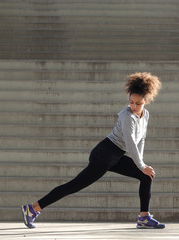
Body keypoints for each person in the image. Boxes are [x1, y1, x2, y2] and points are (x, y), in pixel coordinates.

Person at [21, 72, 165, 229]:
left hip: (116, 156)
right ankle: (32, 209)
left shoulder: (146, 115)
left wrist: (142, 164)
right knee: (74, 185)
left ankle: (144, 218)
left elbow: (141, 139)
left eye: (138, 103)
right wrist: (141, 166)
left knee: (147, 176)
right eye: (131, 102)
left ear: (146, 101)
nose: (134, 107)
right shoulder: (127, 117)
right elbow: (130, 142)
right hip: (104, 154)